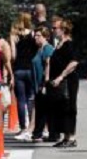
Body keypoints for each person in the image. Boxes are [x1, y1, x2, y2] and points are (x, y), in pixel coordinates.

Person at [47, 19, 80, 148]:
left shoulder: (69, 44)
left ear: (63, 30)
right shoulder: (59, 44)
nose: (53, 30)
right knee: (61, 108)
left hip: (68, 81)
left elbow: (74, 62)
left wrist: (61, 76)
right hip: (58, 82)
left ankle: (71, 137)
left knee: (69, 107)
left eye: (55, 28)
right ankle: (65, 137)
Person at [9, 13, 37, 138]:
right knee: (31, 98)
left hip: (18, 70)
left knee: (20, 100)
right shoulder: (33, 34)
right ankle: (31, 127)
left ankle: (22, 127)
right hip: (31, 70)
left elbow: (13, 55)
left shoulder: (14, 35)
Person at [28, 27, 55, 142]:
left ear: (45, 36)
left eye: (38, 35)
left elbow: (49, 65)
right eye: (35, 35)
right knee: (41, 109)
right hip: (37, 85)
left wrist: (45, 83)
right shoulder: (39, 49)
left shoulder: (47, 49)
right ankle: (39, 133)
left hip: (43, 85)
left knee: (44, 110)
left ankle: (40, 133)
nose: (35, 37)